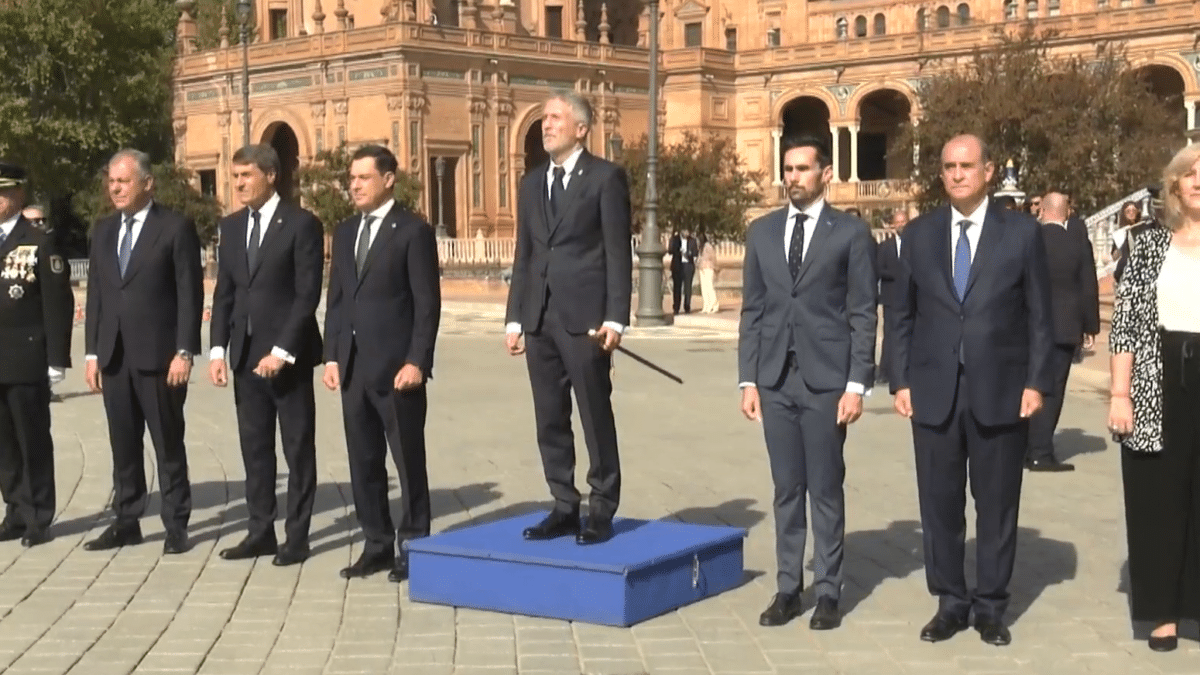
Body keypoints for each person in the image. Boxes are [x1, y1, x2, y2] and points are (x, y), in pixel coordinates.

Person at [886, 134, 1053, 646]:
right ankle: (951, 602)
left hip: (1001, 389)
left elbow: (1041, 317)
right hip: (933, 390)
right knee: (939, 503)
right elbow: (900, 316)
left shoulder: (1021, 233)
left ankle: (991, 607)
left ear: (988, 171)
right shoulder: (917, 235)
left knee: (998, 502)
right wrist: (900, 379)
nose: (957, 174)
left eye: (967, 165)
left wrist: (1037, 382)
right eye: (949, 166)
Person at [738, 136, 876, 630]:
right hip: (775, 378)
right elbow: (752, 310)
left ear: (825, 174)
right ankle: (786, 588)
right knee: (785, 487)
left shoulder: (850, 234)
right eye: (788, 169)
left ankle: (830, 591)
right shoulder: (762, 232)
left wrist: (858, 383)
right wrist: (748, 379)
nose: (793, 177)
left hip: (826, 380)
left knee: (824, 486)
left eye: (802, 169)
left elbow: (863, 312)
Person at [504, 90, 632, 546]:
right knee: (549, 416)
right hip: (539, 316)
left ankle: (601, 507)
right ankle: (563, 503)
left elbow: (618, 252)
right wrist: (514, 317)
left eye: (556, 117)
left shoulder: (605, 178)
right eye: (543, 118)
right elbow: (526, 253)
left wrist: (616, 318)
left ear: (581, 128)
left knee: (594, 412)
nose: (546, 124)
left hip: (586, 319)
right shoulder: (531, 181)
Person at [323, 144, 441, 582]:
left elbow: (427, 303)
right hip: (353, 368)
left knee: (407, 459)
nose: (353, 185)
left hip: (398, 370)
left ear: (388, 179)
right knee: (364, 461)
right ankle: (375, 542)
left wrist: (417, 360)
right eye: (351, 179)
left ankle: (414, 543)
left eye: (362, 178)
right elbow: (337, 301)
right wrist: (331, 356)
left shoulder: (412, 231)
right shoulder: (346, 230)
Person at [83, 149, 203, 555]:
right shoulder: (102, 230)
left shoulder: (174, 227)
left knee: (168, 443)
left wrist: (184, 351)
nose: (115, 188)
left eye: (124, 181)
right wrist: (91, 355)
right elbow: (98, 295)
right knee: (123, 444)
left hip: (159, 358)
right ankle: (127, 519)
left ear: (147, 183)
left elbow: (190, 293)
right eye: (112, 182)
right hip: (114, 356)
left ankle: (176, 525)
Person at [209, 145, 324, 566]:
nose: (238, 183)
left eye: (245, 175)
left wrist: (282, 351)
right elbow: (225, 293)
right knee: (255, 450)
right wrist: (218, 349)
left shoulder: (301, 224)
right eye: (234, 176)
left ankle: (297, 537)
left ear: (270, 175)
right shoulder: (232, 226)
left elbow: (306, 294)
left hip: (286, 358)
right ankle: (260, 531)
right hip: (244, 356)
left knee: (297, 449)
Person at [1108, 143, 1200, 653]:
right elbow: (1125, 323)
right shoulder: (1146, 244)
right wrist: (1120, 393)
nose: (1198, 182)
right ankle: (1162, 612)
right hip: (1157, 375)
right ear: (1175, 184)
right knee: (1157, 498)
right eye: (1191, 174)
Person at [0, 163, 72, 547]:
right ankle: (14, 510)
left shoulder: (39, 241)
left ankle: (39, 517)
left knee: (33, 441)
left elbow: (57, 302)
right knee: (4, 444)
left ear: (18, 196)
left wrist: (56, 358)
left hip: (27, 357)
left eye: (2, 193)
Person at [1025, 193, 1099, 472]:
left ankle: (1022, 447)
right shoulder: (1077, 242)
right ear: (1067, 213)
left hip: (1029, 326)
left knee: (1026, 385)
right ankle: (1040, 451)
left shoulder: (1027, 239)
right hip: (1065, 326)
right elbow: (1087, 283)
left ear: (1041, 211)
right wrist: (1089, 325)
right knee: (1053, 390)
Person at [875, 209, 908, 386]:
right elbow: (879, 269)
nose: (901, 225)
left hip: (910, 298)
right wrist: (897, 273)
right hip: (891, 298)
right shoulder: (885, 247)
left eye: (904, 221)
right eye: (899, 222)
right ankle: (885, 371)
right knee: (890, 335)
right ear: (893, 225)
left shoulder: (913, 244)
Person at [668, 228, 698, 314]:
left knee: (688, 288)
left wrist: (689, 253)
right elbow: (670, 251)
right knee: (677, 288)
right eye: (685, 231)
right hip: (677, 265)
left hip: (688, 265)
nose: (687, 233)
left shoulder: (693, 241)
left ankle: (687, 306)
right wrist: (678, 251)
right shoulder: (675, 239)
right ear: (681, 231)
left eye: (688, 231)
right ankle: (676, 307)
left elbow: (695, 253)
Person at [697, 234, 720, 313]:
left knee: (710, 287)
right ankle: (706, 306)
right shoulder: (701, 248)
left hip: (709, 268)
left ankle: (714, 305)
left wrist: (715, 267)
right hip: (702, 268)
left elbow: (713, 257)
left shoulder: (708, 246)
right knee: (704, 288)